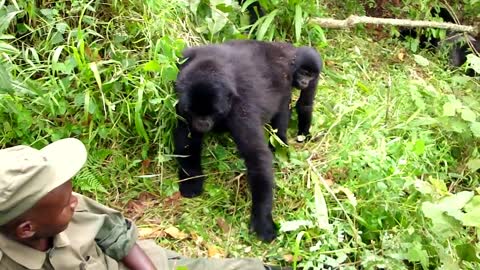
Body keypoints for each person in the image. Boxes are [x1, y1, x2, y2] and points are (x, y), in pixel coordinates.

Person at [0, 138, 291, 270]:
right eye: (66, 204)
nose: (75, 202)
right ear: (26, 229)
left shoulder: (58, 206)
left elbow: (116, 234)